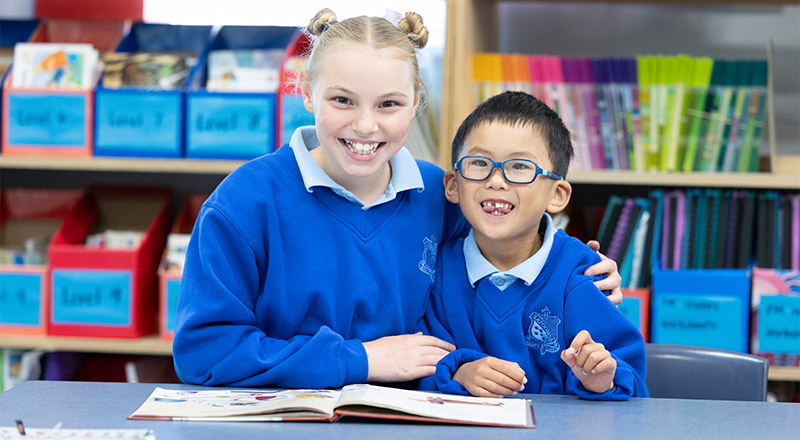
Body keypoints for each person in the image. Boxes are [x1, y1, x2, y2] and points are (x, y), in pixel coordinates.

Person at [172, 9, 623, 389]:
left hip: (413, 418)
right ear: (307, 93)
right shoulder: (243, 204)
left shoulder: (444, 197)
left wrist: (582, 274)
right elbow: (203, 352)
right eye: (343, 100)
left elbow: (514, 243)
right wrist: (362, 360)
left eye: (388, 104)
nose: (366, 126)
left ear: (415, 102)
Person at [421, 91, 648, 400]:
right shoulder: (437, 271)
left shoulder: (581, 273)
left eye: (519, 167)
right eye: (478, 162)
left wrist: (599, 379)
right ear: (452, 184)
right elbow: (416, 367)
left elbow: (630, 380)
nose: (497, 180)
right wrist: (460, 372)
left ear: (557, 195)